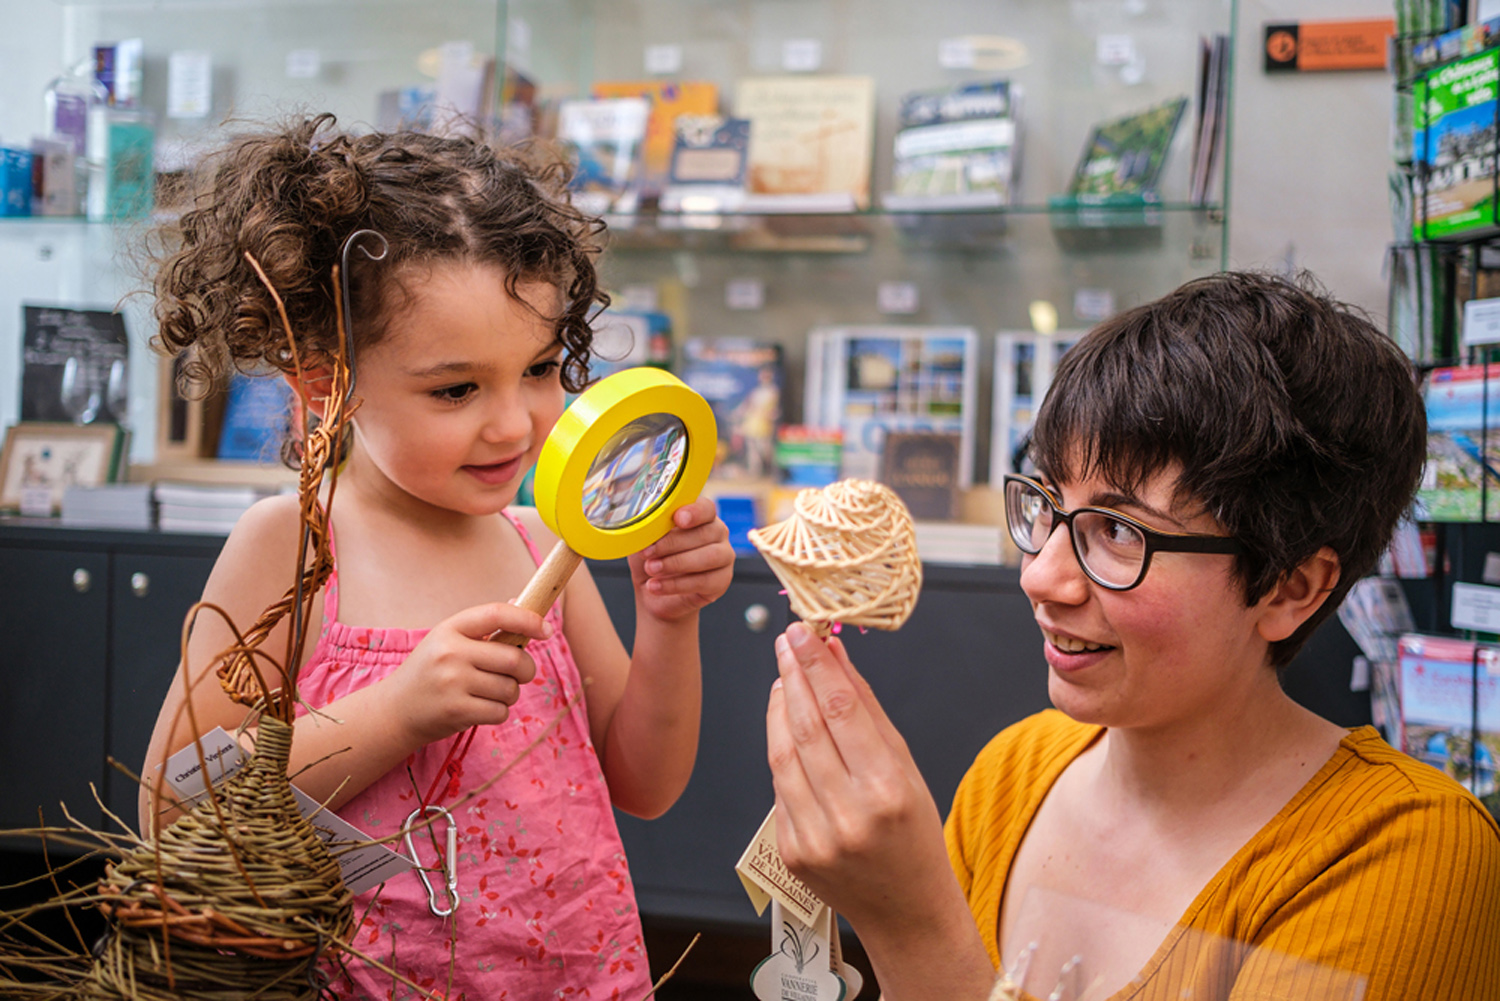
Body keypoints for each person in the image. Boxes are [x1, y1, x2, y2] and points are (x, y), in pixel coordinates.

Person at [765, 271, 1500, 1001]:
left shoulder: (1405, 853)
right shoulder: (1013, 773)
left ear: (1290, 587)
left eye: (1117, 530)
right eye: (1048, 502)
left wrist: (913, 926)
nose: (1042, 577)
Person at [138, 114, 735, 1000]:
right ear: (324, 381)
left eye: (539, 368)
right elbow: (175, 811)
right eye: (456, 388)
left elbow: (643, 782)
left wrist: (670, 618)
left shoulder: (541, 545)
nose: (514, 423)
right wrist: (400, 710)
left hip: (583, 975)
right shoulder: (294, 546)